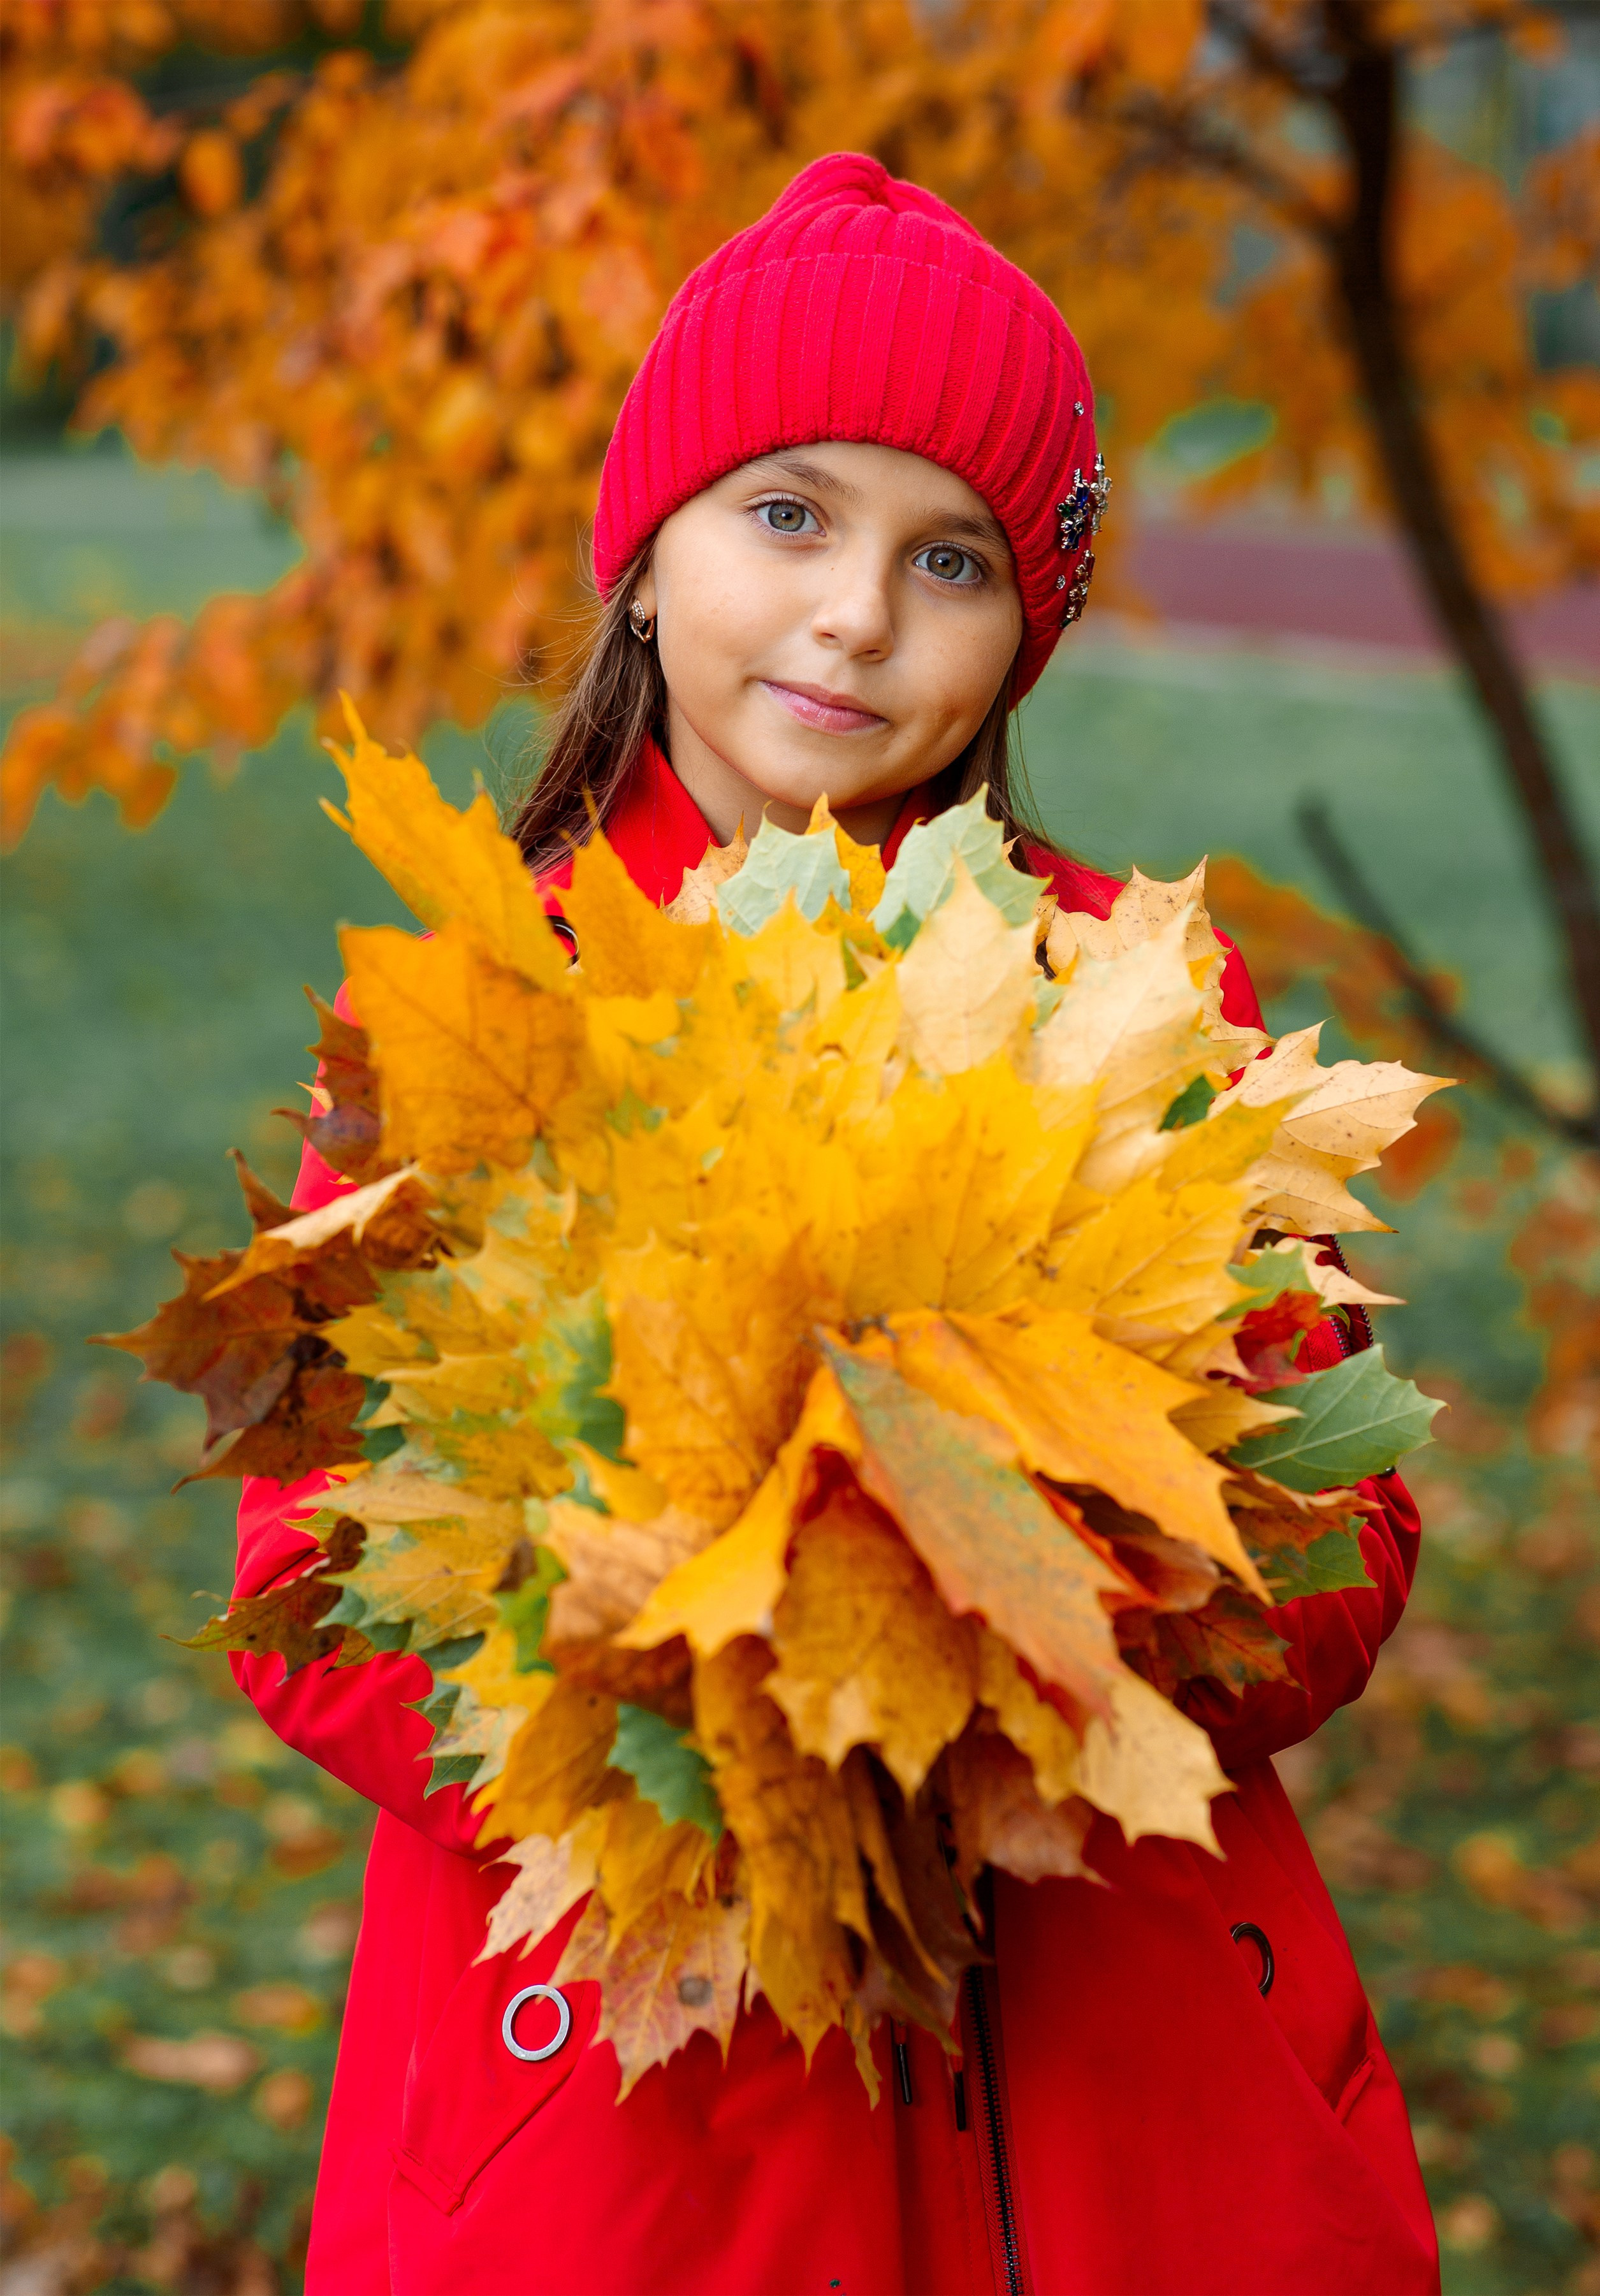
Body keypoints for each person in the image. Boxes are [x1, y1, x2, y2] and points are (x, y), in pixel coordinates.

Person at [231, 154, 1441, 2296]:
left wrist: (1023, 1672)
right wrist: (720, 1729)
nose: (857, 614)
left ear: (1020, 630)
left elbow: (1338, 1527)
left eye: (950, 558)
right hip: (632, 2129)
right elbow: (309, 1583)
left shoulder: (1132, 995)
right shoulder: (478, 1012)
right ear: (648, 548)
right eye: (787, 513)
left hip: (1115, 2094)